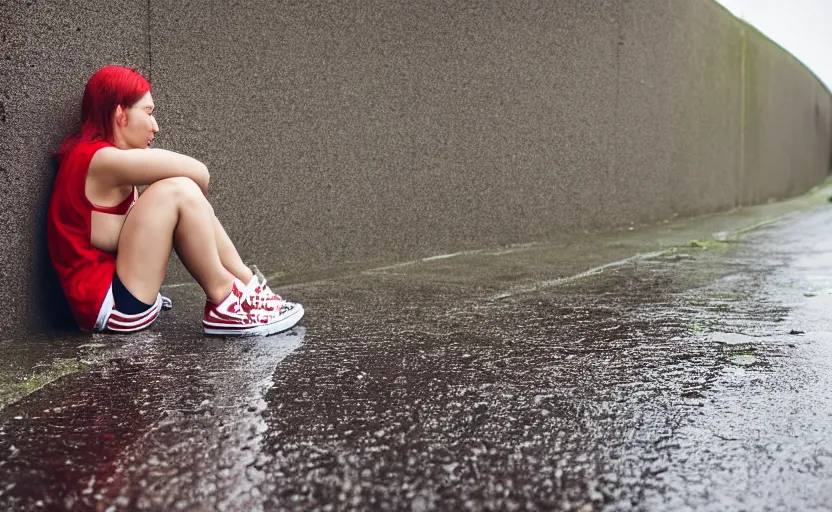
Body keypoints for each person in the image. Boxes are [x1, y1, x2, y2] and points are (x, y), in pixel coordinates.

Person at [47, 65, 303, 336]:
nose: (155, 126)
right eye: (148, 112)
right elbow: (200, 174)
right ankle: (224, 299)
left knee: (182, 191)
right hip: (111, 307)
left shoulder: (107, 159)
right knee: (179, 189)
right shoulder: (99, 159)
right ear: (120, 113)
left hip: (124, 293)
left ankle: (247, 286)